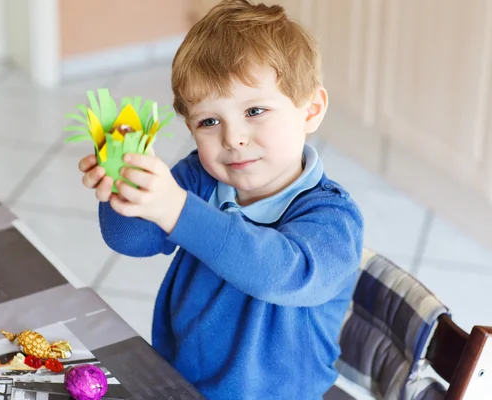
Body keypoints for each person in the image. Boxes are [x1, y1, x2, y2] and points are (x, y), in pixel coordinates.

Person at [78, 0, 364, 398]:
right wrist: (123, 187)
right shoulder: (200, 176)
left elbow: (280, 273)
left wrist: (177, 210)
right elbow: (131, 239)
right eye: (209, 121)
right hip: (182, 382)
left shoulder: (333, 217)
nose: (233, 139)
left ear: (310, 110)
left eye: (255, 110)